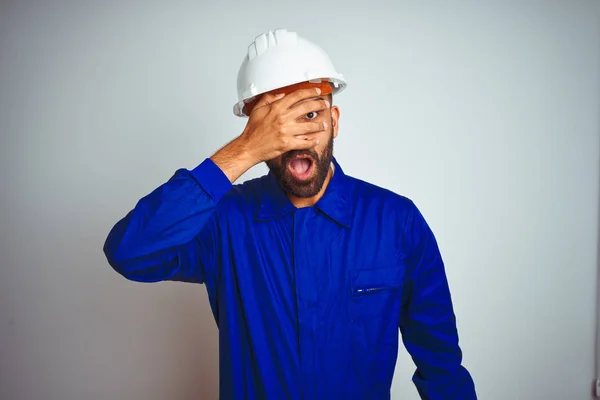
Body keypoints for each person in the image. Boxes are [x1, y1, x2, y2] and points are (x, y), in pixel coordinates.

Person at [103, 29, 477, 400]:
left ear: (335, 120)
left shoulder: (396, 221)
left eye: (310, 115)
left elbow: (440, 365)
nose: (295, 137)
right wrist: (242, 152)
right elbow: (130, 253)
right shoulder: (223, 221)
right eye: (274, 125)